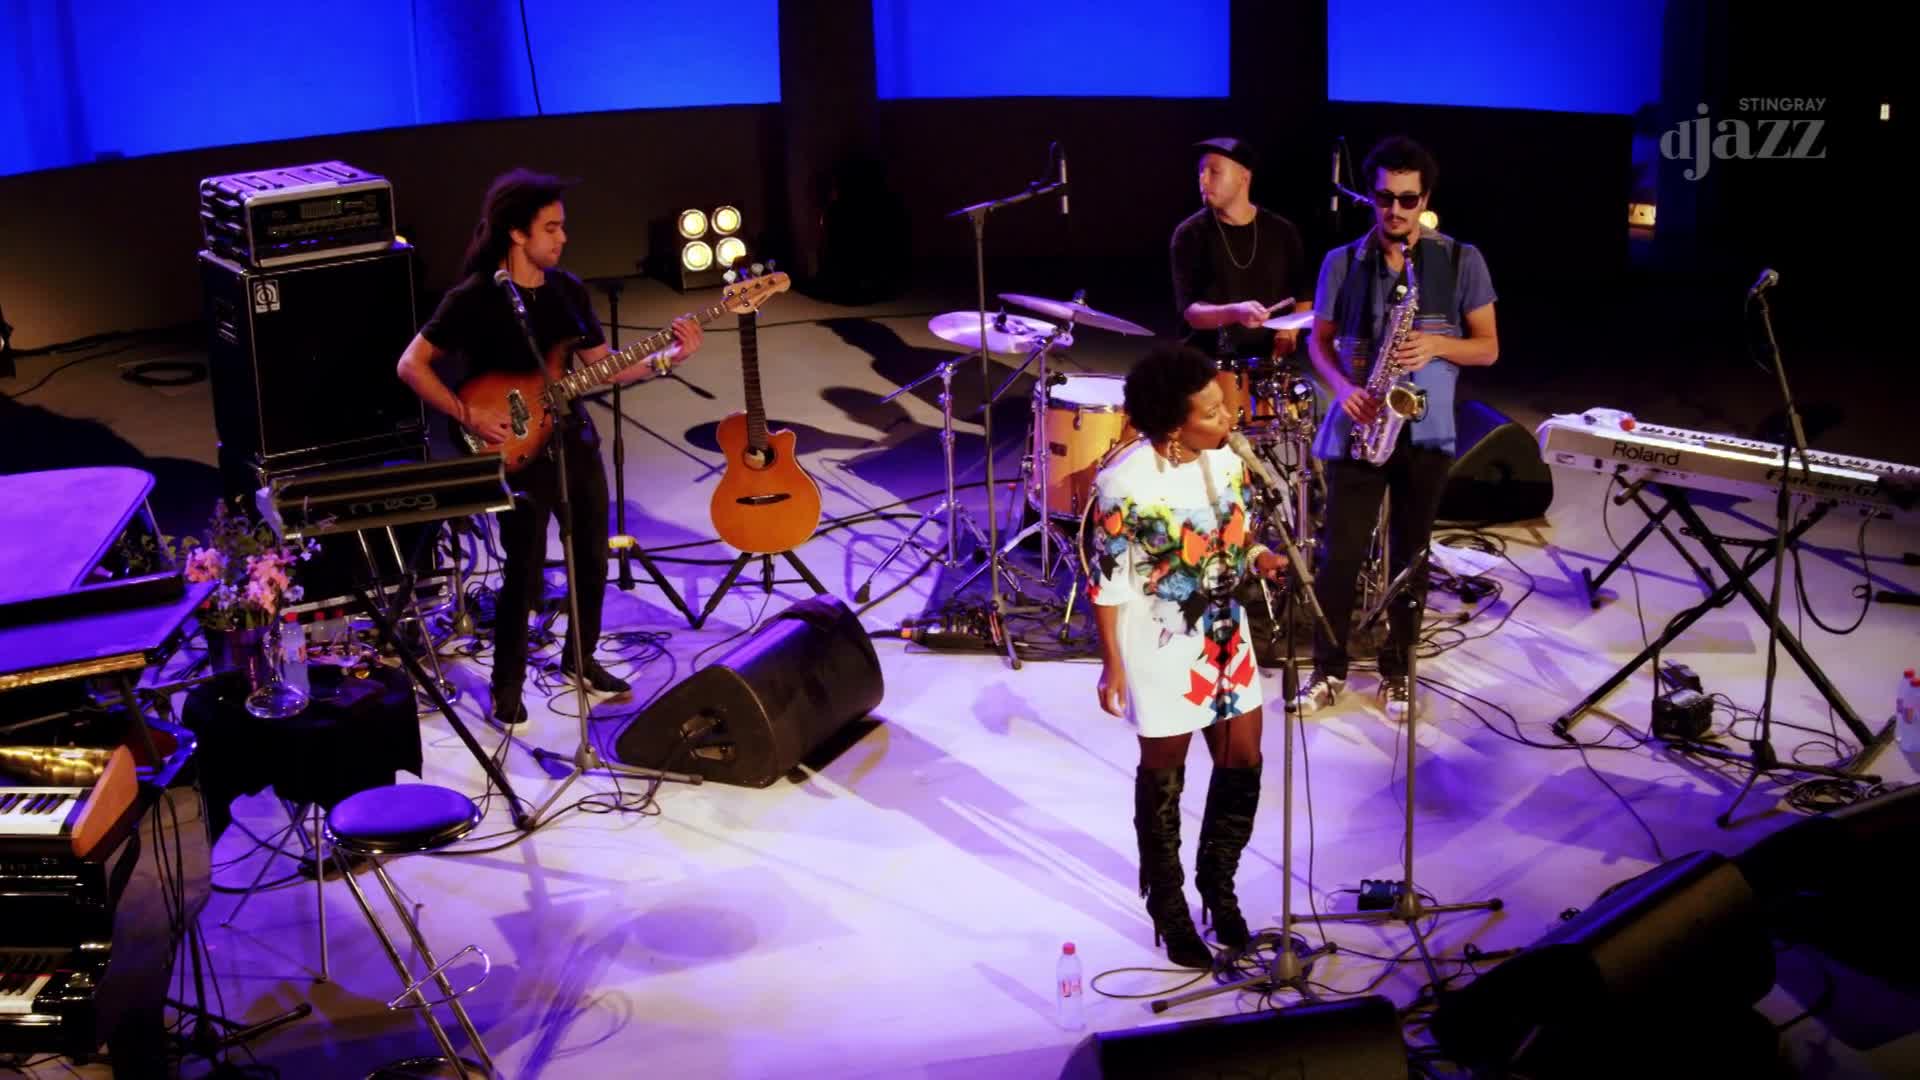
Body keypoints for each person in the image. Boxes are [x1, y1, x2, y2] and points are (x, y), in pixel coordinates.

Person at [396, 168, 703, 726]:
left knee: (591, 552)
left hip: (570, 436)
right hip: (514, 449)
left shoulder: (567, 292)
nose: (563, 239)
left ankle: (579, 658)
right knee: (526, 565)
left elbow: (601, 367)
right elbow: (410, 365)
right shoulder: (474, 298)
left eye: (563, 228)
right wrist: (466, 412)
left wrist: (666, 358)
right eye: (552, 228)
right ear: (517, 233)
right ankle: (506, 682)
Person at [1088, 344, 1289, 968]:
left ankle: (1216, 886)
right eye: (1212, 411)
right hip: (1160, 644)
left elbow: (1236, 534)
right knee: (1165, 779)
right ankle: (1168, 904)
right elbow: (1108, 581)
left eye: (1224, 405)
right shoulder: (1123, 484)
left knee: (1244, 759)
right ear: (1175, 424)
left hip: (1226, 634)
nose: (1229, 415)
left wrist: (1258, 558)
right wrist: (1112, 664)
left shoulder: (1224, 461)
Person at [1294, 136, 1498, 720]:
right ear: (1370, 197)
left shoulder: (1461, 260)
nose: (1396, 212)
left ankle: (1398, 671)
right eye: (1385, 198)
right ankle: (1327, 669)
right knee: (1339, 556)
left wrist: (1435, 342)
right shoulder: (1342, 262)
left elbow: (1488, 349)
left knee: (1412, 554)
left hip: (1425, 429)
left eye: (1408, 200)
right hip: (1359, 426)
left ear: (1425, 199)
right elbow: (1319, 342)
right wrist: (1345, 387)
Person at [1168, 137, 1314, 376]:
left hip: (1269, 365)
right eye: (1200, 172)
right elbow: (1191, 314)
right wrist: (1236, 312)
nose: (1203, 180)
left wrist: (1289, 332)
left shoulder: (1282, 231)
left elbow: (1302, 295)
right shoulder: (1189, 234)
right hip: (1207, 367)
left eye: (1214, 172)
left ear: (1244, 177)